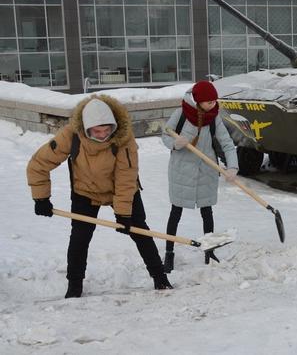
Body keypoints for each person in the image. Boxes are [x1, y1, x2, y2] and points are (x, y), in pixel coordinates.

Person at [27, 95, 173, 298]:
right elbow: (39, 163)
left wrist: (123, 213)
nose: (103, 135)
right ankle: (74, 286)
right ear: (86, 127)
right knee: (80, 237)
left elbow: (126, 175)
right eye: (97, 131)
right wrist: (41, 198)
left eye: (107, 130)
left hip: (122, 190)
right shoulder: (71, 135)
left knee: (140, 231)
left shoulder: (123, 137)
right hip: (85, 191)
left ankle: (159, 277)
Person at [161, 80, 239, 271]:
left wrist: (232, 167)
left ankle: (209, 251)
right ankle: (169, 254)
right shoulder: (181, 114)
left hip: (207, 170)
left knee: (207, 212)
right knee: (175, 212)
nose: (213, 104)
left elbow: (227, 143)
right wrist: (176, 143)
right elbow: (165, 135)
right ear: (197, 100)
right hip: (182, 171)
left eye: (214, 100)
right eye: (208, 101)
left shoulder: (214, 117)